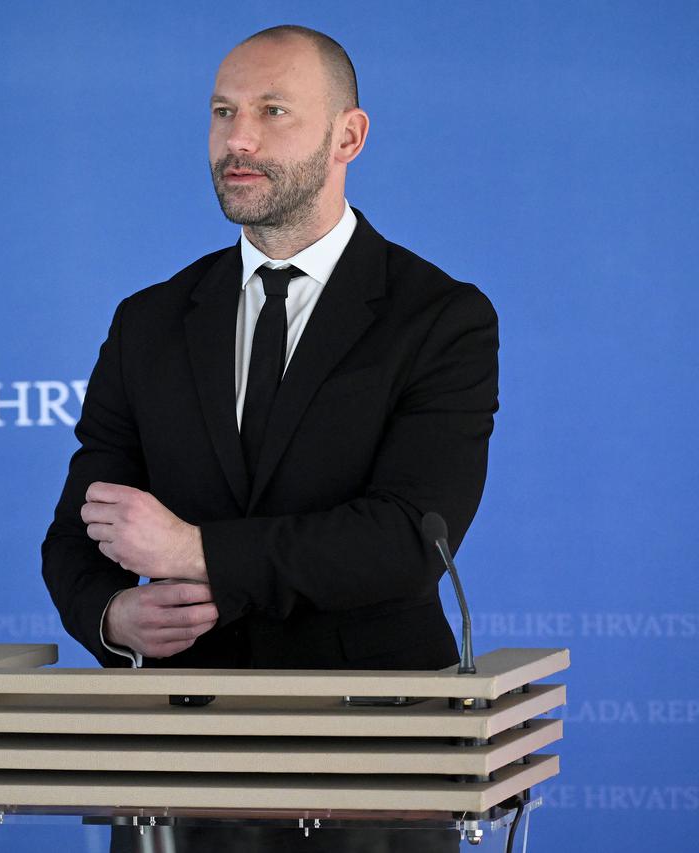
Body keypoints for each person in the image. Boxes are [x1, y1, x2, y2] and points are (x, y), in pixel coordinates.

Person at [41, 24, 497, 852]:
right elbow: (79, 532)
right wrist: (112, 615)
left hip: (375, 761)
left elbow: (405, 539)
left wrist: (194, 551)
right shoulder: (149, 322)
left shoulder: (440, 319)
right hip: (180, 768)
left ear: (348, 136)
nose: (238, 140)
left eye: (272, 111)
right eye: (223, 112)